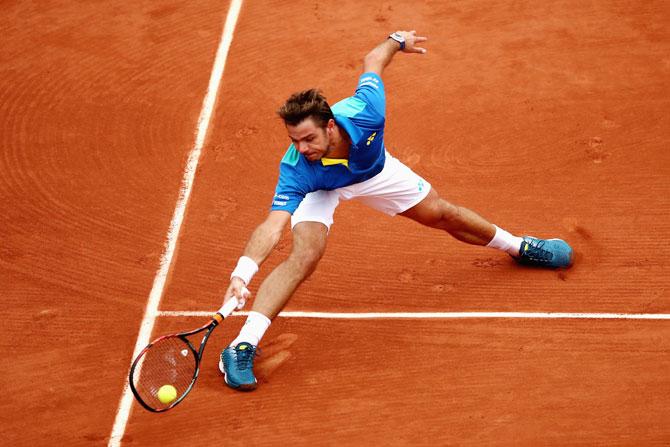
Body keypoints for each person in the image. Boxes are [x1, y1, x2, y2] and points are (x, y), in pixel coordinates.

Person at [219, 30, 573, 391]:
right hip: (320, 188)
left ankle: (519, 247)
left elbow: (374, 60)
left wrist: (396, 40)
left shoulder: (366, 111)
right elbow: (272, 226)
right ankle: (241, 345)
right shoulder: (298, 166)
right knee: (306, 254)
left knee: (442, 213)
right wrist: (242, 273)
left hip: (374, 172)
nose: (302, 147)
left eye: (309, 138)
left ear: (330, 126)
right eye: (294, 140)